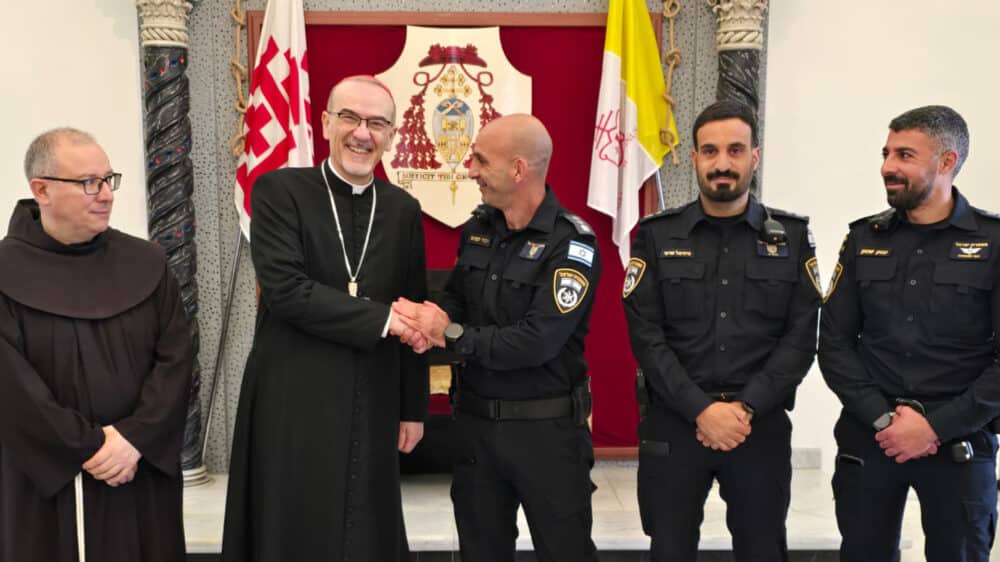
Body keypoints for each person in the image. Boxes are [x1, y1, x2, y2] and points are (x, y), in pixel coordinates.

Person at [221, 75, 430, 562]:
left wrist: (412, 407)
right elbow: (287, 291)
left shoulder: (402, 209)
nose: (363, 133)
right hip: (294, 392)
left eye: (378, 123)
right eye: (351, 118)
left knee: (366, 522)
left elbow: (413, 304)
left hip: (372, 391)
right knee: (293, 521)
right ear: (326, 123)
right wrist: (385, 321)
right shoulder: (279, 190)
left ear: (392, 134)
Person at [393, 113, 601, 562]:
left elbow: (536, 341)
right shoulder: (479, 229)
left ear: (518, 169)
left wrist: (445, 333)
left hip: (545, 434)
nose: (469, 169)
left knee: (565, 552)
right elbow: (457, 300)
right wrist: (426, 322)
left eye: (481, 161)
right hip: (475, 431)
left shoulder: (573, 245)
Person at [622, 100, 821, 562]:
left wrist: (745, 407)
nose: (722, 163)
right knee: (669, 550)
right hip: (674, 423)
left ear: (755, 156)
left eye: (735, 150)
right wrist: (701, 409)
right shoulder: (657, 236)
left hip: (759, 426)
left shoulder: (791, 239)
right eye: (709, 151)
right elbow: (646, 337)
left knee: (763, 549)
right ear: (693, 158)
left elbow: (800, 339)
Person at [0, 128, 193, 561]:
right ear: (41, 190)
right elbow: (12, 390)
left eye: (109, 179)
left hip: (138, 469)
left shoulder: (146, 262)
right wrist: (88, 447)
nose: (105, 194)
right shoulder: (4, 271)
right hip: (47, 483)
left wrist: (133, 438)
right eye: (89, 182)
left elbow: (176, 361)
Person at [818, 105, 1000, 562]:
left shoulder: (993, 243)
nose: (887, 167)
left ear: (946, 162)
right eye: (886, 153)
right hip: (872, 438)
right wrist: (885, 421)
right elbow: (835, 344)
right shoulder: (863, 239)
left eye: (904, 155)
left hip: (959, 441)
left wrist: (934, 428)